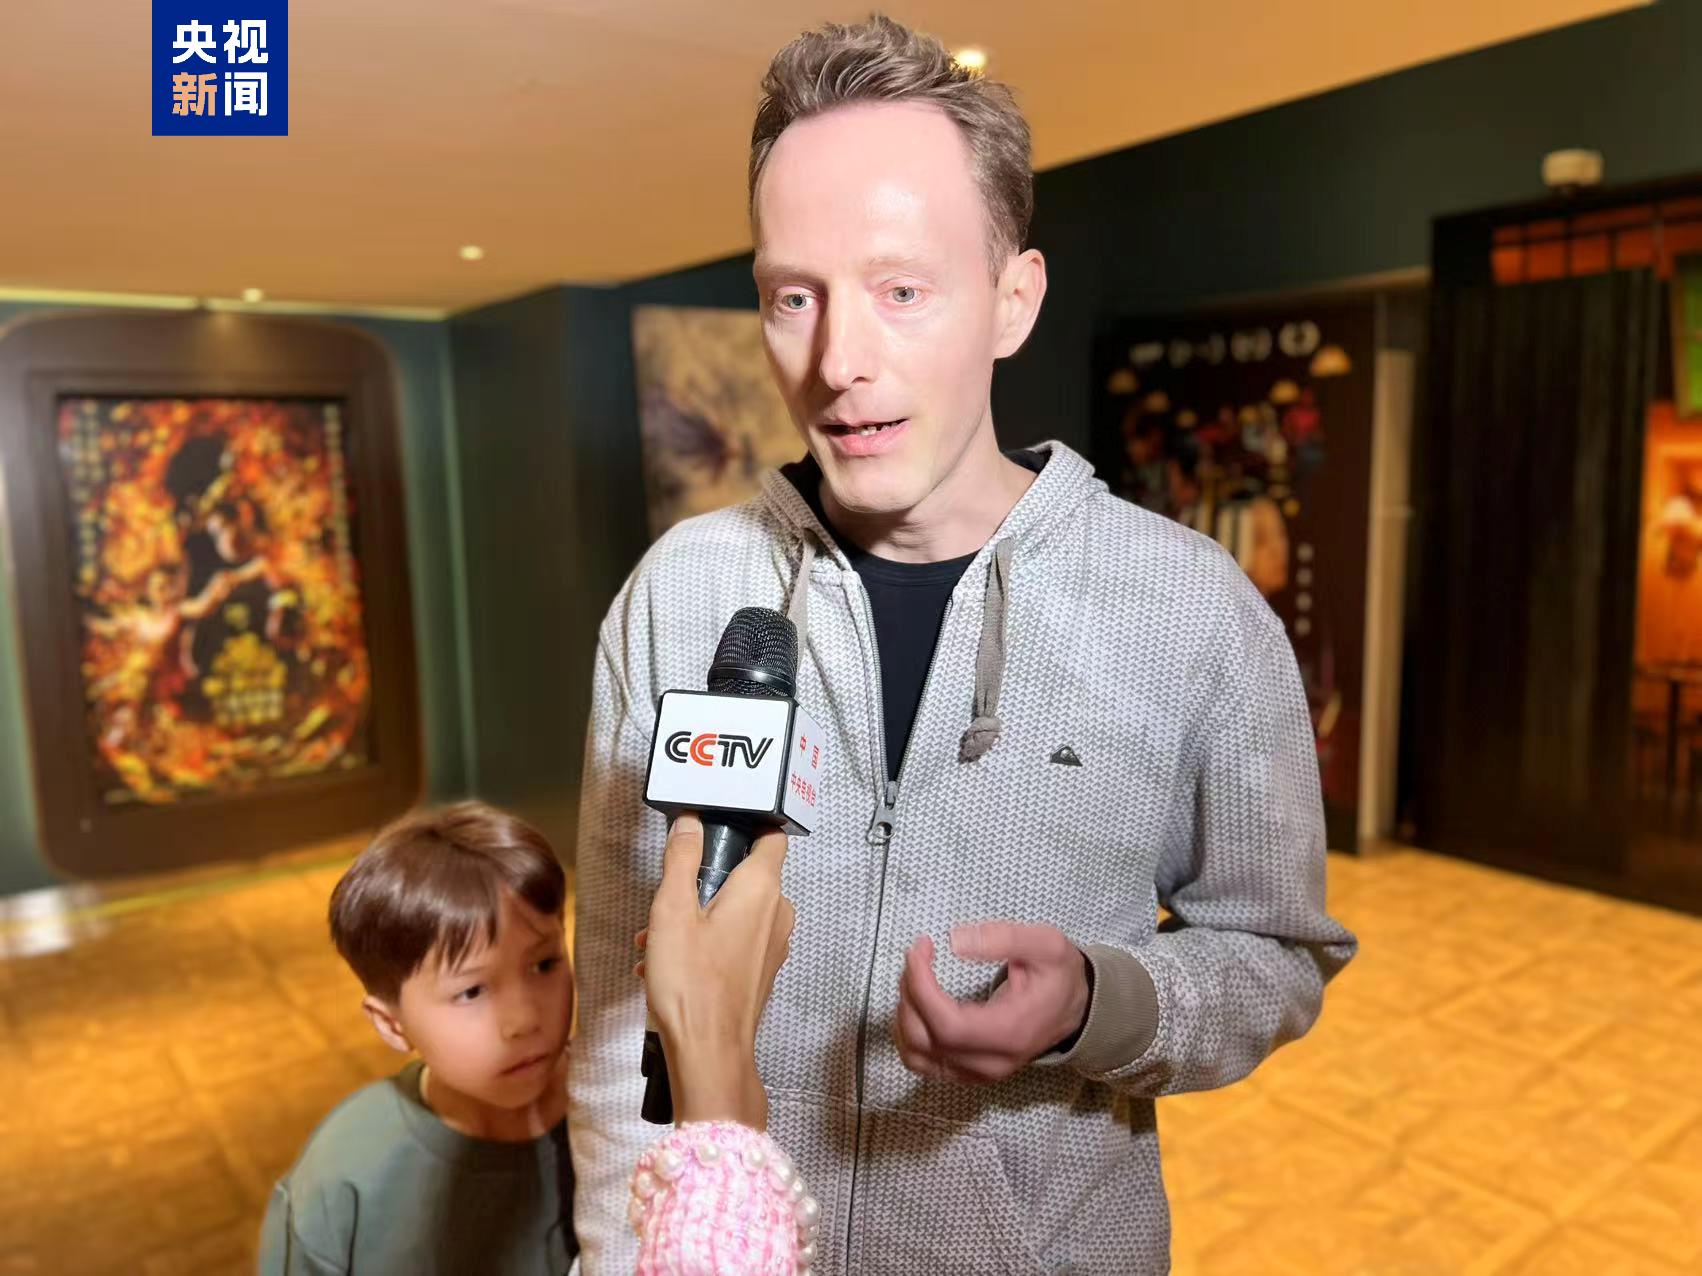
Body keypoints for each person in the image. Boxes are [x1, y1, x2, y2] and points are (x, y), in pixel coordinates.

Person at [570, 16, 1357, 1274]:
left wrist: (1101, 1002)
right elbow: (619, 1011)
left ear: (1011, 299)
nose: (838, 362)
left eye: (900, 290)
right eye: (793, 297)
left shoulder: (1192, 610)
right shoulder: (678, 595)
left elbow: (1274, 954)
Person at [259, 802, 579, 1274]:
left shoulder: (627, 1106)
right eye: (472, 991)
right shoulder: (344, 1177)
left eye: (545, 964)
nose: (524, 1020)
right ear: (391, 1024)